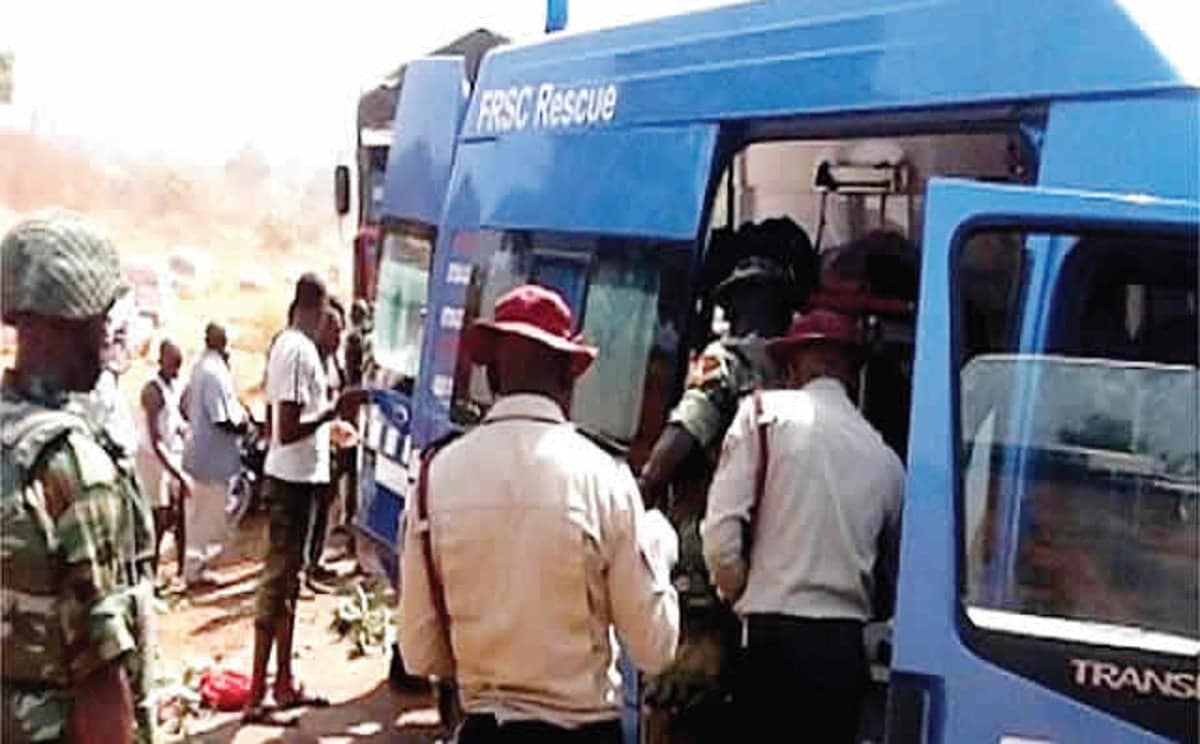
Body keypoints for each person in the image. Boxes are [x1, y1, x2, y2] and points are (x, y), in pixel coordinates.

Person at [399, 284, 680, 744]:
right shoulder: (605, 477)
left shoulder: (436, 478)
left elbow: (418, 654)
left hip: (482, 729)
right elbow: (655, 647)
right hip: (583, 733)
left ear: (489, 376)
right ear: (569, 379)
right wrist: (657, 548)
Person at [637, 219, 815, 742]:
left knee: (678, 704)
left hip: (705, 573)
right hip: (773, 573)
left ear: (734, 309)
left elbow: (670, 452)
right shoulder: (796, 380)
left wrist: (637, 505)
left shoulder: (725, 364)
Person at [700, 309, 904, 743]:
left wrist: (738, 590)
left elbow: (719, 541)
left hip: (770, 642)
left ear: (793, 366)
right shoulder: (887, 461)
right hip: (843, 654)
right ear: (850, 373)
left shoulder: (762, 414)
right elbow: (893, 577)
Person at [0, 211, 157, 743]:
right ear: (68, 321)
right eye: (100, 316)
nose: (108, 331)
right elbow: (99, 674)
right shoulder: (71, 464)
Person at [244, 274, 363, 723]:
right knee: (276, 589)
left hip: (301, 480)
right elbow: (287, 428)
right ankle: (258, 697)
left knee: (289, 587)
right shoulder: (295, 350)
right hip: (289, 484)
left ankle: (283, 683)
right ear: (312, 310)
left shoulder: (297, 349)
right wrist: (336, 409)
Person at [181, 323, 248, 587]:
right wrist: (244, 425)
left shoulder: (203, 366)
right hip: (210, 458)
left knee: (203, 515)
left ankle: (197, 567)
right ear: (220, 341)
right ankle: (196, 570)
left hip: (205, 455)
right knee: (206, 517)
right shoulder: (213, 371)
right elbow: (221, 417)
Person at [303, 300, 346, 591]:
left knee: (324, 511)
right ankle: (306, 569)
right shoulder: (310, 362)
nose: (338, 339)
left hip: (330, 443)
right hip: (309, 450)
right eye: (335, 332)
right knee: (311, 513)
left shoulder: (331, 361)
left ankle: (315, 562)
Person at [137, 338, 189, 574]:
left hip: (168, 456)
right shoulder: (152, 391)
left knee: (177, 515)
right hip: (151, 462)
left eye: (179, 365)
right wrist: (177, 473)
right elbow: (155, 440)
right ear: (161, 361)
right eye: (173, 364)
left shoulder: (172, 387)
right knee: (156, 521)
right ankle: (150, 574)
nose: (177, 370)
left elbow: (175, 423)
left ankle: (180, 570)